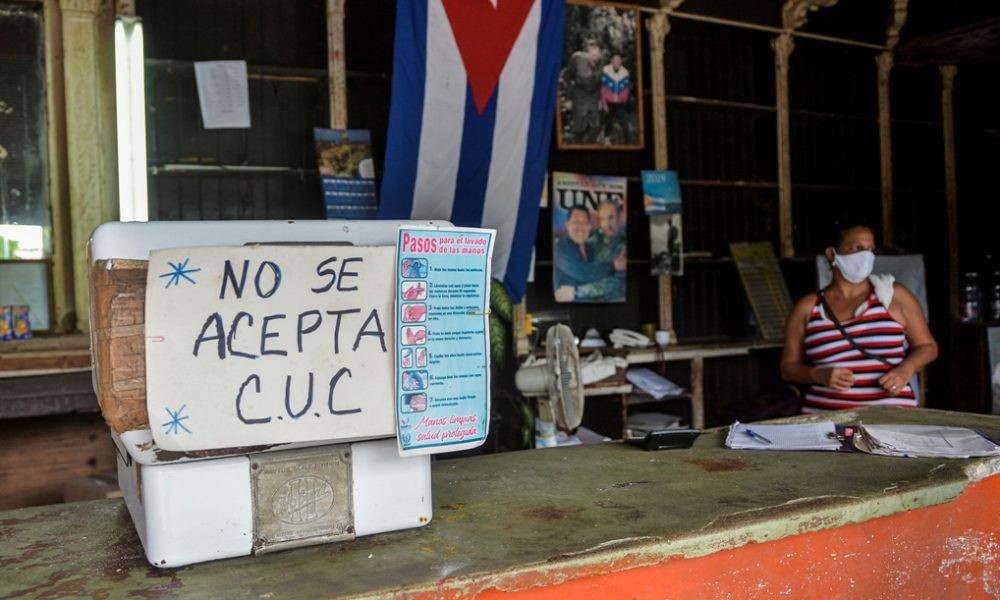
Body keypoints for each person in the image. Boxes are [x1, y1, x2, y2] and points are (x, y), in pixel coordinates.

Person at [780, 219, 938, 412]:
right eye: (857, 248)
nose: (866, 256)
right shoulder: (807, 307)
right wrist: (817, 374)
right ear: (832, 254)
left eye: (870, 249)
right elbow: (788, 369)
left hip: (892, 420)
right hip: (826, 422)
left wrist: (906, 369)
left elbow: (928, 347)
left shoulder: (893, 296)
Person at [553, 206, 624, 302]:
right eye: (576, 222)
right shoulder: (560, 248)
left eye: (585, 222)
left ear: (590, 227)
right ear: (567, 224)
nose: (581, 227)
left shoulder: (591, 247)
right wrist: (614, 265)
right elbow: (584, 272)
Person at [560, 39, 603, 144]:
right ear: (586, 50)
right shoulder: (577, 58)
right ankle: (578, 145)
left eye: (597, 49)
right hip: (579, 95)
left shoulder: (600, 62)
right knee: (579, 127)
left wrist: (599, 99)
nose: (596, 51)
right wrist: (568, 98)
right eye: (592, 48)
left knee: (596, 126)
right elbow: (567, 77)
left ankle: (588, 145)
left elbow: (599, 83)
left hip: (593, 96)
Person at [600, 52, 632, 144]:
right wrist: (604, 103)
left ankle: (628, 143)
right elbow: (603, 89)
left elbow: (626, 88)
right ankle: (606, 138)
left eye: (619, 59)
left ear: (621, 61)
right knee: (608, 122)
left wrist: (624, 99)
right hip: (609, 103)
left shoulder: (625, 72)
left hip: (620, 104)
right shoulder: (606, 71)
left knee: (624, 122)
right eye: (615, 59)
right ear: (611, 60)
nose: (617, 61)